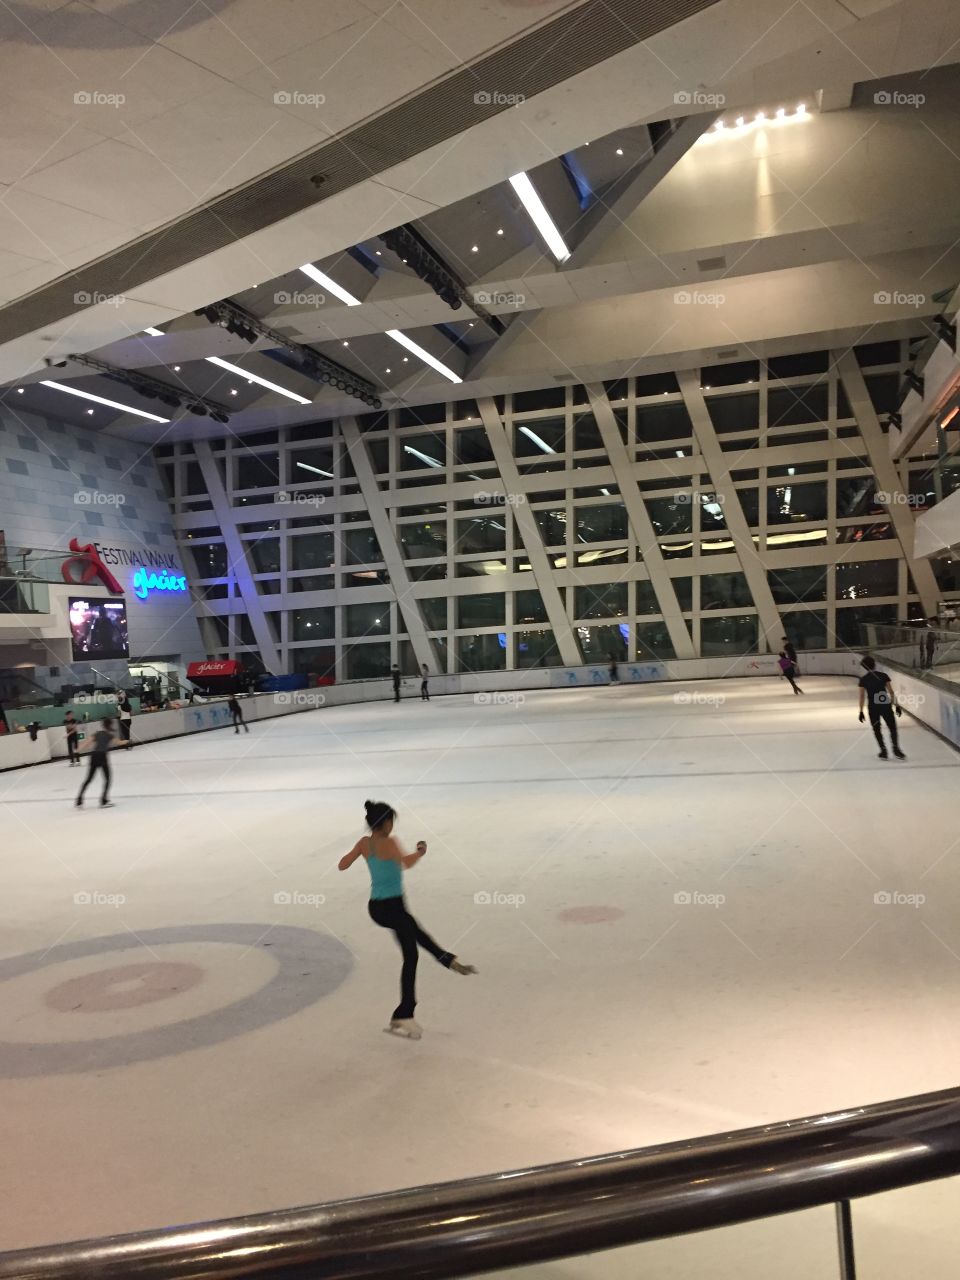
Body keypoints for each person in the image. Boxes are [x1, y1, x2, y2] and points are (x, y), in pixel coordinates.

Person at [339, 799, 477, 1039]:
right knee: (413, 944)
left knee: (413, 941)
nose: (392, 825)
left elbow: (342, 865)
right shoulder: (390, 842)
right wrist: (420, 852)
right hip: (393, 907)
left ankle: (441, 966)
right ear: (385, 823)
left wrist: (358, 856)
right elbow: (406, 863)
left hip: (377, 908)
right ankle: (411, 1005)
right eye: (391, 821)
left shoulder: (364, 843)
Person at [858, 656, 905, 760]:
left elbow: (862, 696)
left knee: (877, 728)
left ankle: (883, 750)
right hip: (885, 705)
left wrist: (861, 711)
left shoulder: (863, 680)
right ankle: (896, 749)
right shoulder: (884, 676)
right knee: (892, 727)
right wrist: (897, 706)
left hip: (873, 707)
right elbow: (891, 692)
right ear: (874, 664)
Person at [76, 718, 117, 808]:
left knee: (88, 779)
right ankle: (103, 801)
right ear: (110, 725)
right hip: (102, 756)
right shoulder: (109, 735)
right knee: (107, 779)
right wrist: (127, 741)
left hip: (94, 756)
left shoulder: (97, 733)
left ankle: (79, 800)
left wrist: (78, 749)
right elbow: (119, 742)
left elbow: (87, 742)